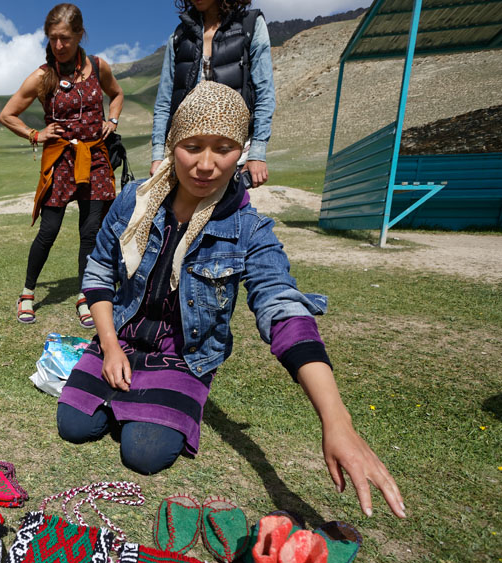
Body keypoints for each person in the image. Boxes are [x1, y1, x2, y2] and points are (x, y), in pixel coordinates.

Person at [58, 82, 406, 519]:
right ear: (172, 144)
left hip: (184, 356)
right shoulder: (133, 201)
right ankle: (130, 392)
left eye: (223, 148)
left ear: (240, 151)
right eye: (192, 146)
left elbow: (282, 309)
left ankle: (157, 398)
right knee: (73, 425)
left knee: (144, 453)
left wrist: (337, 420)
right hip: (122, 336)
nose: (206, 165)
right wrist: (108, 346)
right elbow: (99, 273)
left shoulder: (250, 231)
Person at [0, 3, 123, 328]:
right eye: (53, 38)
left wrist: (112, 119)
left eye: (65, 38)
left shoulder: (98, 66)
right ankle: (27, 292)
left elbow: (117, 94)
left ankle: (86, 295)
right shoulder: (43, 76)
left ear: (81, 35)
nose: (58, 45)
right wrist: (35, 134)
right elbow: (7, 114)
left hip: (95, 158)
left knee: (90, 232)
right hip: (60, 159)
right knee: (49, 230)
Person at [149, 0, 275, 188]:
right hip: (186, 150)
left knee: (229, 213)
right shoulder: (179, 36)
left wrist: (257, 152)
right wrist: (158, 155)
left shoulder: (250, 25)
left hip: (232, 150)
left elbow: (264, 92)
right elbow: (164, 102)